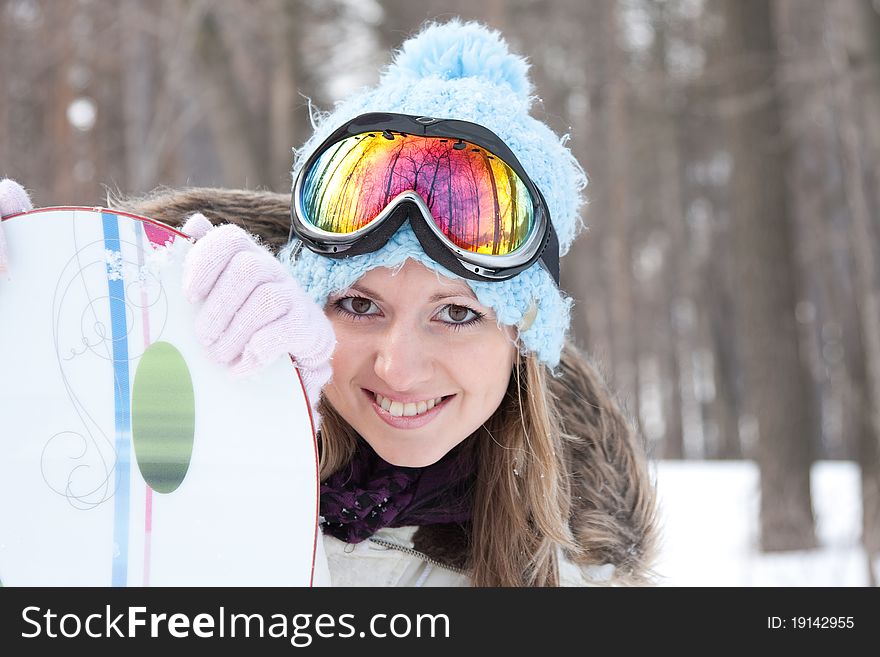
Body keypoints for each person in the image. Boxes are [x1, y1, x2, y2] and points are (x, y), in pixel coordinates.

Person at [0, 20, 658, 586]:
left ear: (523, 338)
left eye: (456, 312)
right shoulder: (166, 489)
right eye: (359, 305)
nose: (398, 368)